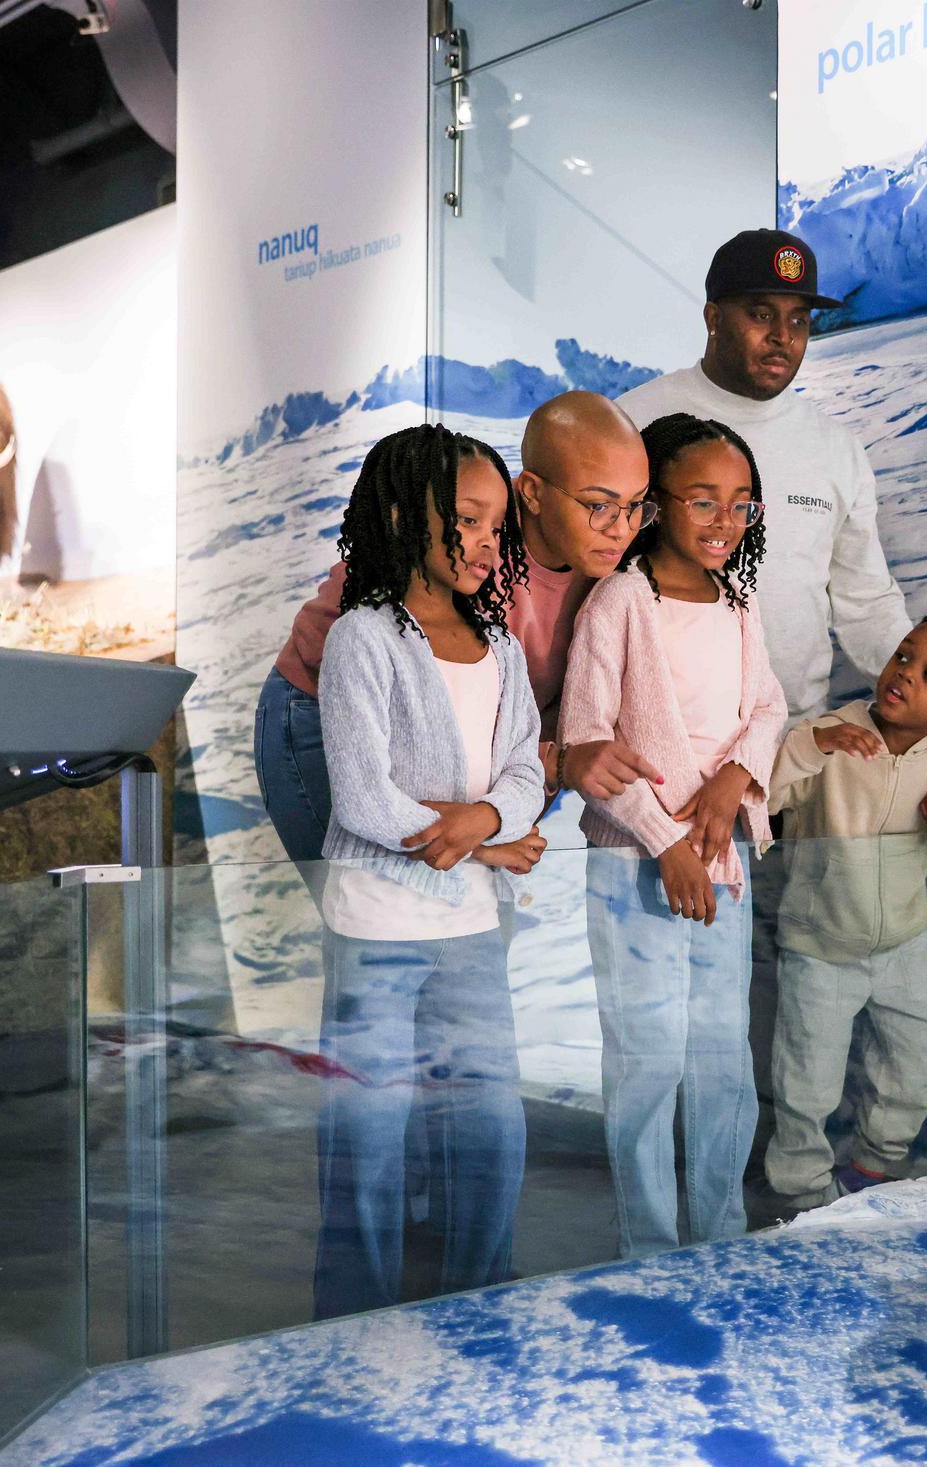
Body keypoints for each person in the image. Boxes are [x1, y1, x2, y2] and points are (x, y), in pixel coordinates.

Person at [616, 228, 927, 795]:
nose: (782, 338)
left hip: (796, 752)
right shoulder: (634, 422)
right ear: (713, 317)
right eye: (761, 314)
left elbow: (865, 601)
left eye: (798, 320)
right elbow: (587, 578)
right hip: (655, 760)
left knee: (798, 889)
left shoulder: (835, 450)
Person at [310, 423, 548, 1318]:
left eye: (499, 526)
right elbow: (364, 801)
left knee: (491, 1123)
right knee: (365, 1132)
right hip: (378, 928)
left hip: (473, 930)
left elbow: (527, 769)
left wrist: (487, 818)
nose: (492, 541)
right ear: (410, 515)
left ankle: (480, 1293)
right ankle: (353, 1314)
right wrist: (489, 840)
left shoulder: (504, 648)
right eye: (473, 520)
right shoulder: (361, 639)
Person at [255, 391, 661, 865]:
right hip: (327, 708)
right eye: (599, 505)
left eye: (636, 506)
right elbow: (382, 797)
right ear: (530, 493)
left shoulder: (615, 565)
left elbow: (529, 711)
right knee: (372, 899)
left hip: (478, 751)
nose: (621, 528)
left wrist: (505, 807)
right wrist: (485, 843)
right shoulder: (460, 540)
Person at [560, 413, 788, 1258]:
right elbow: (588, 740)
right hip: (636, 863)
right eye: (703, 501)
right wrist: (667, 841)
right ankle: (650, 1250)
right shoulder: (620, 601)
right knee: (649, 1063)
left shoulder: (739, 602)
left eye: (741, 504)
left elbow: (768, 706)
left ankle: (722, 1237)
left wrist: (735, 782)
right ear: (654, 502)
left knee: (724, 1061)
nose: (724, 521)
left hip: (722, 861)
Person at [763, 611, 927, 1210]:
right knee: (805, 1084)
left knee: (913, 1068)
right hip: (818, 945)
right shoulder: (831, 734)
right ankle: (801, 1196)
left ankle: (874, 1168)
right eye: (903, 656)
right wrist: (814, 744)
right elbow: (764, 793)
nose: (904, 674)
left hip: (902, 945)